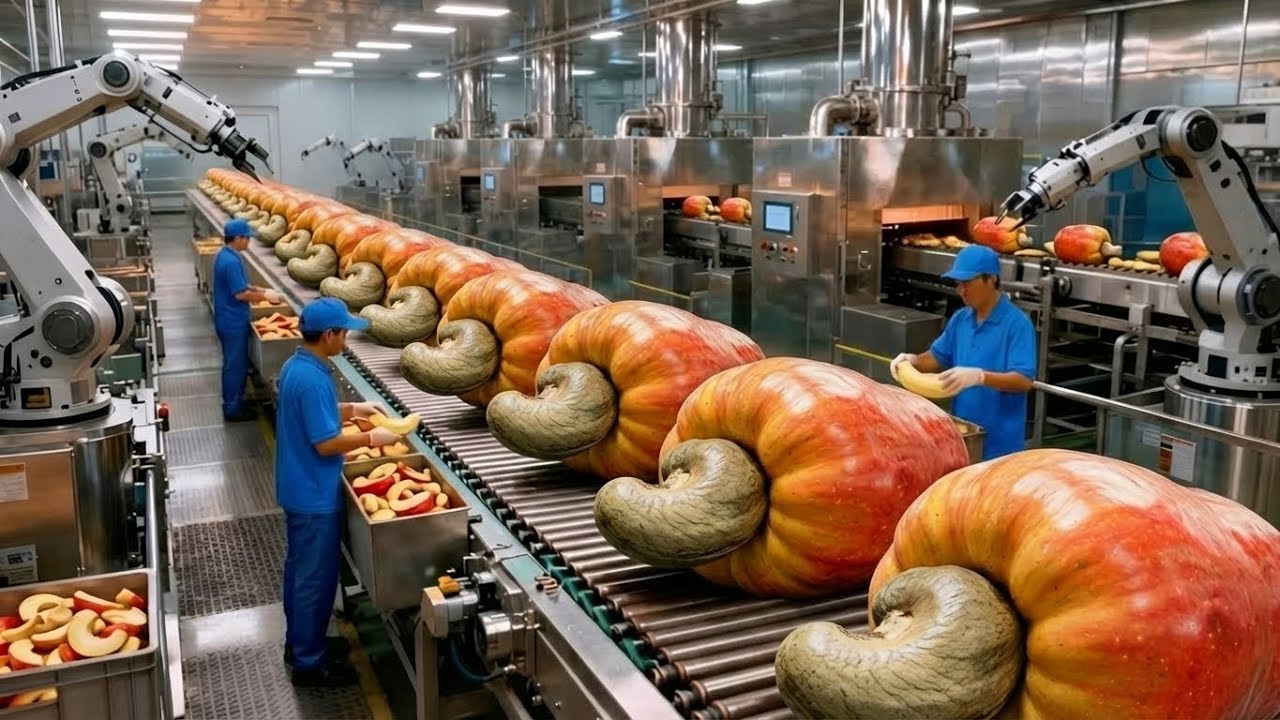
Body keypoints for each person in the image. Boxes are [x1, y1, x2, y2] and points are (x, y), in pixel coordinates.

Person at [275, 297, 402, 687]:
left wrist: (353, 410)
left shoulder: (298, 365)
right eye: (343, 333)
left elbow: (315, 412)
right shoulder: (313, 378)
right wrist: (372, 435)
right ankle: (310, 665)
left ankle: (299, 644)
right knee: (315, 579)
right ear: (329, 334)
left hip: (299, 485)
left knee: (301, 573)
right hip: (313, 492)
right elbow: (326, 443)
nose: (345, 341)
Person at [890, 244, 1037, 461]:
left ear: (991, 279)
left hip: (1000, 444)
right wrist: (912, 361)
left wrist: (980, 377)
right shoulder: (961, 319)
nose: (961, 291)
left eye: (968, 283)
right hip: (965, 434)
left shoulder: (1016, 324)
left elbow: (1024, 380)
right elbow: (937, 357)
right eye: (959, 284)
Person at [212, 218, 281, 422]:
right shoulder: (232, 261)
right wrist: (265, 298)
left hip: (228, 318)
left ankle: (235, 401)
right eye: (247, 238)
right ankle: (233, 408)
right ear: (238, 238)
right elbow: (240, 294)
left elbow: (243, 286)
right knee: (235, 365)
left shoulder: (225, 255)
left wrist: (261, 290)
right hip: (232, 322)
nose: (249, 243)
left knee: (234, 363)